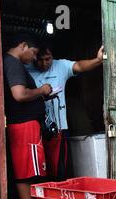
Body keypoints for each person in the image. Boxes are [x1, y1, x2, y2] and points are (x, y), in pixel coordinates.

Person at [27, 44, 104, 180]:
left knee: (58, 169)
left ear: (53, 57)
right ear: (34, 57)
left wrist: (97, 60)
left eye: (48, 59)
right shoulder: (26, 70)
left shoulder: (61, 66)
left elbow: (79, 66)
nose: (44, 63)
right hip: (35, 127)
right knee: (38, 168)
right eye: (40, 60)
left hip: (58, 129)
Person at [3, 33, 52, 199]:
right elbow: (19, 94)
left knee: (30, 170)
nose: (33, 58)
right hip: (24, 126)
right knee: (26, 172)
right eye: (33, 53)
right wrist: (41, 90)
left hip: (24, 125)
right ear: (23, 46)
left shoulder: (10, 63)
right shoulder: (13, 63)